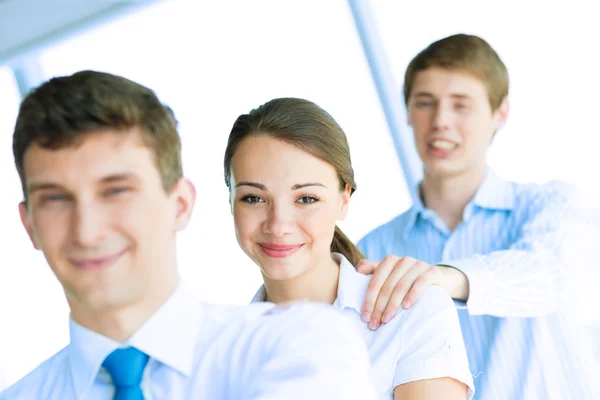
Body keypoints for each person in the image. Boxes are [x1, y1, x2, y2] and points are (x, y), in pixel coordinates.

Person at [0, 70, 378, 400]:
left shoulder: (301, 347)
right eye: (54, 199)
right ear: (29, 224)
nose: (87, 230)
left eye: (116, 191)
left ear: (180, 204)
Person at [356, 34, 599, 399]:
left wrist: (443, 279)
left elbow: (548, 274)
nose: (440, 121)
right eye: (425, 103)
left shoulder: (552, 206)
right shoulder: (374, 248)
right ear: (407, 112)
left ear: (500, 113)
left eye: (461, 105)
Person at [223, 97, 475, 399]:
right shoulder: (224, 349)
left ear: (344, 199)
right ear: (231, 200)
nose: (278, 225)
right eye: (253, 198)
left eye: (306, 199)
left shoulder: (414, 313)